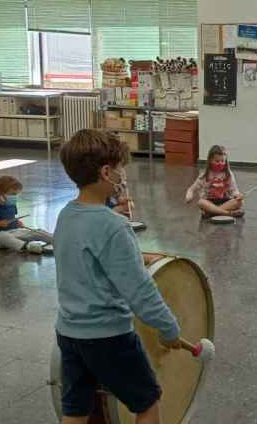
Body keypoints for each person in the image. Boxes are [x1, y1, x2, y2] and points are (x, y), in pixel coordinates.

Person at [55, 129, 181, 424]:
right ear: (106, 172)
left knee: (76, 410)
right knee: (147, 402)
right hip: (108, 337)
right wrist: (169, 328)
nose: (123, 176)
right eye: (120, 169)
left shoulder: (65, 215)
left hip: (69, 333)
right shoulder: (114, 226)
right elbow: (140, 290)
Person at [0, 176, 54, 254]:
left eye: (16, 194)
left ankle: (56, 239)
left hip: (15, 233)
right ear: (0, 193)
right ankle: (28, 247)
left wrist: (17, 222)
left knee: (37, 231)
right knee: (3, 236)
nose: (15, 197)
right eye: (13, 194)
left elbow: (12, 217)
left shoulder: (12, 205)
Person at [185, 145, 244, 218]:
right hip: (210, 202)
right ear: (210, 160)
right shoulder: (205, 175)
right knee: (201, 202)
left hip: (225, 201)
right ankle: (228, 213)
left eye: (222, 161)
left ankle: (211, 212)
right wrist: (189, 196)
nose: (220, 163)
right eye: (217, 161)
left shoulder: (228, 174)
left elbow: (234, 190)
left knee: (240, 202)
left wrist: (237, 195)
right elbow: (191, 189)